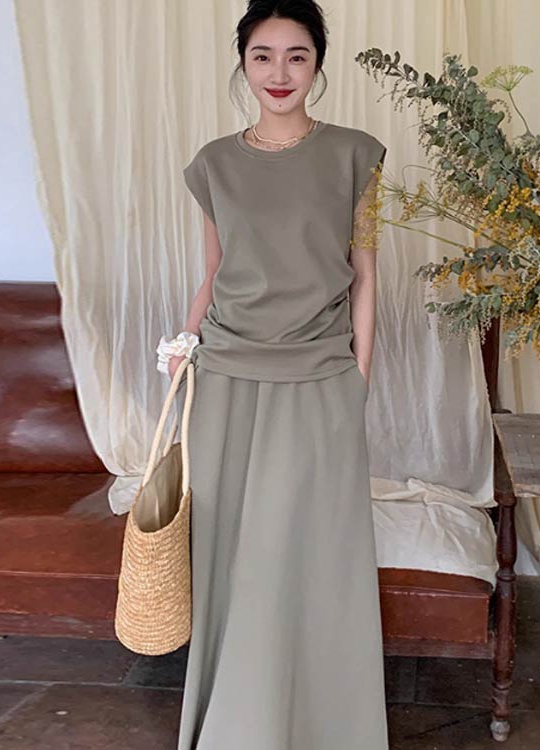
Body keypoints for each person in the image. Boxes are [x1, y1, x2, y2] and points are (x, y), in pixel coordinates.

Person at [159, 1, 389, 748]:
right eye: (263, 56)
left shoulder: (357, 156)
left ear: (318, 62)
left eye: (297, 55)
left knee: (313, 554)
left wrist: (357, 378)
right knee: (230, 552)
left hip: (320, 376)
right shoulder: (214, 164)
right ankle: (235, 727)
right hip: (224, 375)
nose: (279, 72)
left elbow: (365, 275)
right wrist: (183, 348)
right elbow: (214, 273)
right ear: (243, 63)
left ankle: (323, 729)